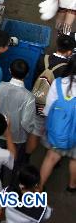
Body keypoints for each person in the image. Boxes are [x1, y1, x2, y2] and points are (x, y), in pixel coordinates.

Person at [38, 55, 76, 191]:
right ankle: (72, 185)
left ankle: (39, 187)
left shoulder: (58, 83)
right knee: (74, 159)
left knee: (51, 157)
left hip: (58, 130)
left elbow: (47, 110)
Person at [0, 58, 37, 172]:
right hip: (18, 138)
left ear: (10, 71)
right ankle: (9, 186)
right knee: (12, 165)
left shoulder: (1, 86)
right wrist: (31, 131)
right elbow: (26, 123)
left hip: (0, 132)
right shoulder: (29, 97)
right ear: (27, 75)